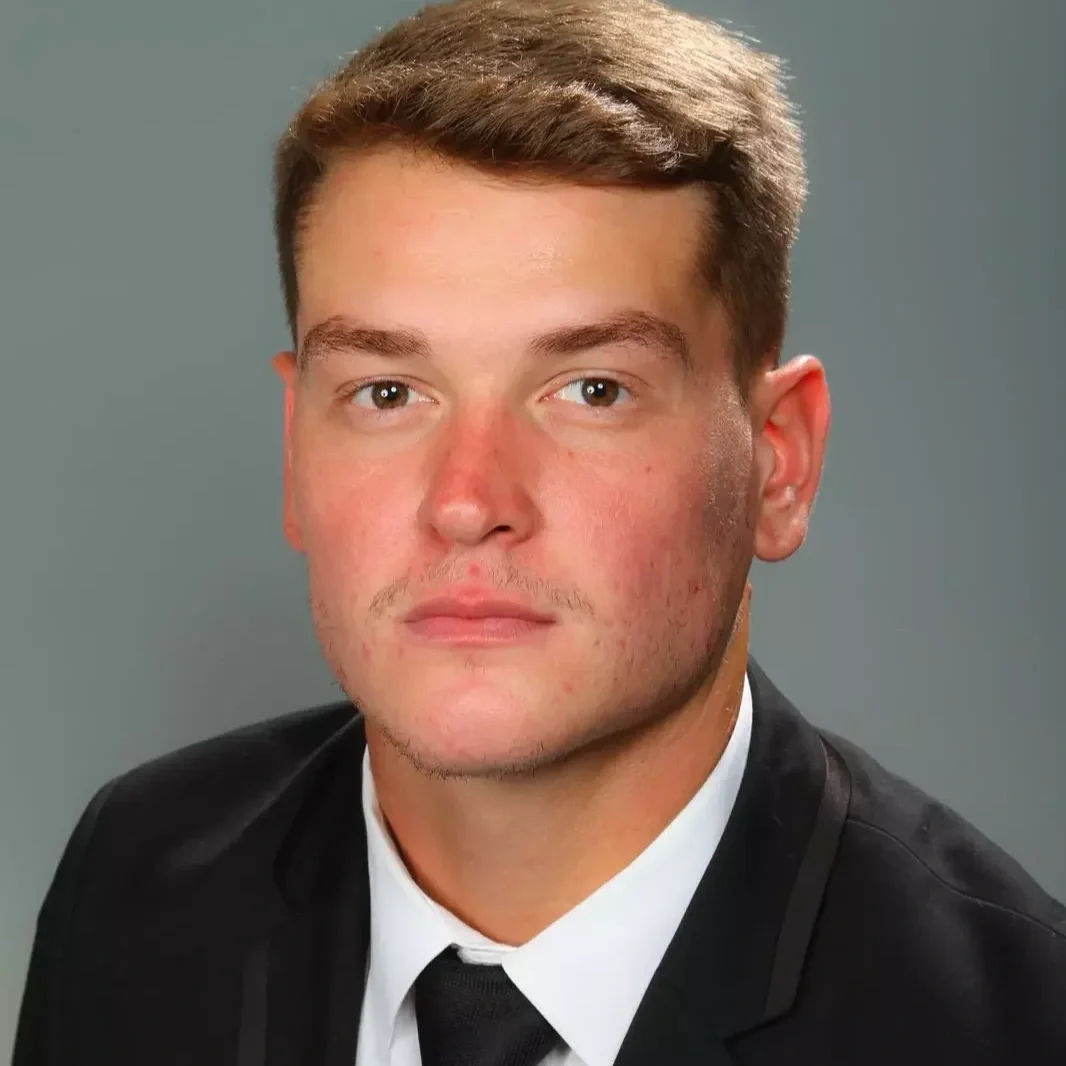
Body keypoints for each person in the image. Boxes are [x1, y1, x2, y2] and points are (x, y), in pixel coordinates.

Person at [13, 0, 1066, 1063]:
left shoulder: (1011, 1023)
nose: (468, 500)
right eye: (387, 392)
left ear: (777, 462)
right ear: (295, 450)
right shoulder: (141, 887)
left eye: (591, 388)